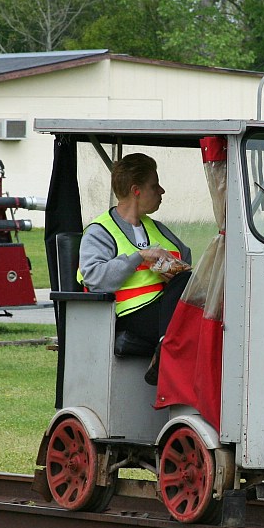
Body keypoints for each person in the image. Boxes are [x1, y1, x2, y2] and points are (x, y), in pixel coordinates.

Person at [77, 153, 191, 384]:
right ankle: (166, 349)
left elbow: (187, 264)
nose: (162, 191)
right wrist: (139, 257)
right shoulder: (100, 232)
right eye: (155, 185)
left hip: (163, 310)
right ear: (136, 190)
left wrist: (176, 269)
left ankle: (164, 346)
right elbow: (95, 277)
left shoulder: (158, 229)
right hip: (129, 314)